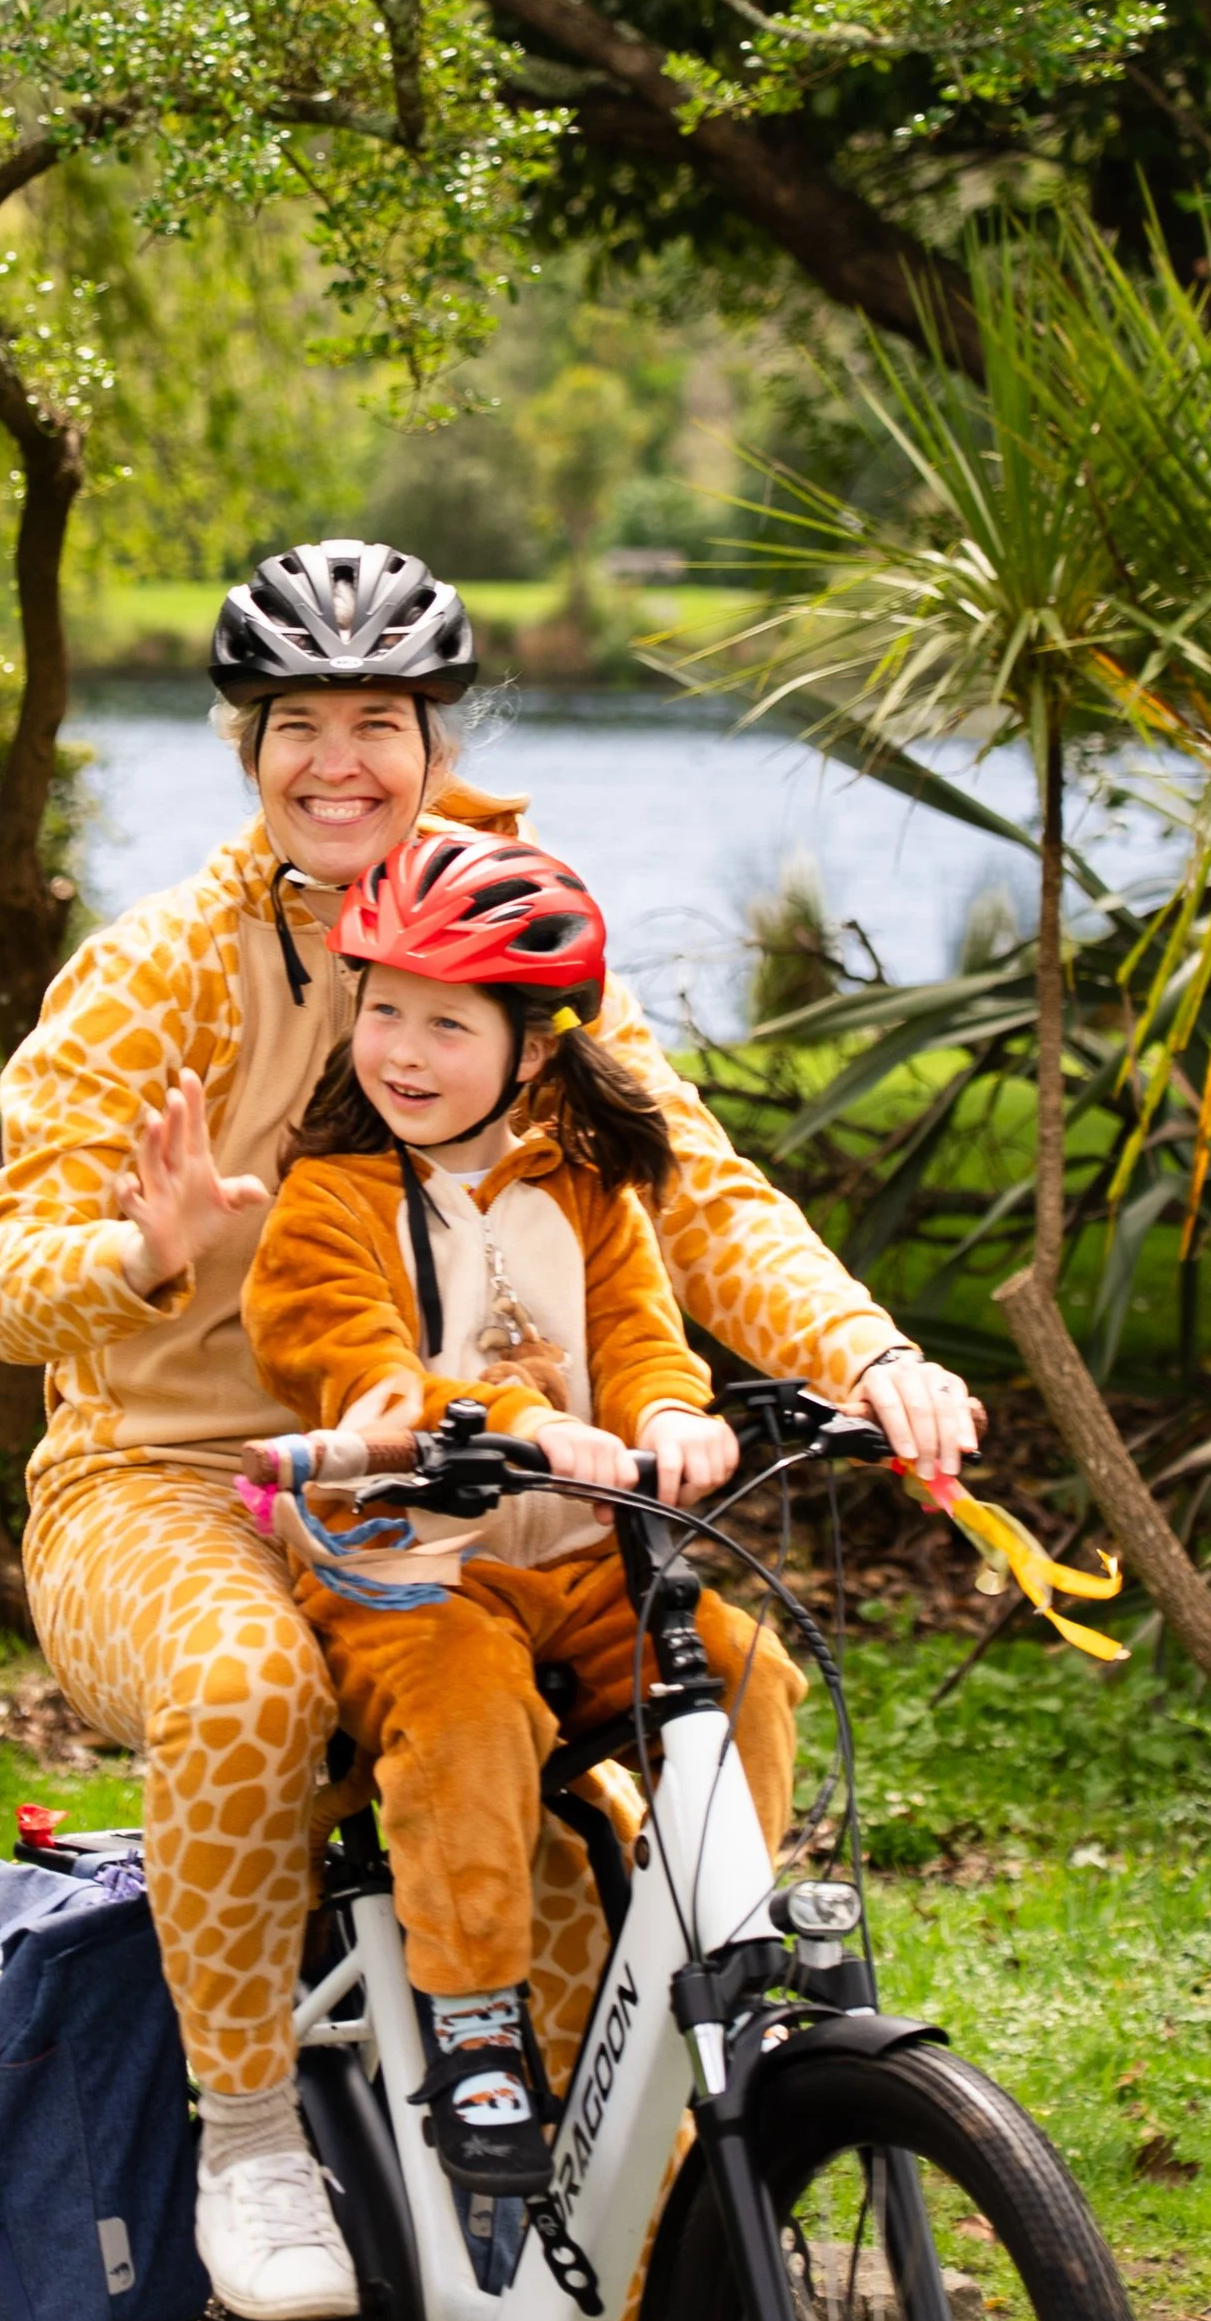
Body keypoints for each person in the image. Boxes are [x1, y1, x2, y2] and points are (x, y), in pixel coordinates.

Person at [0, 537, 981, 2320]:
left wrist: (865, 1347)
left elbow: (693, 1192)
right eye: (297, 723)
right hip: (174, 1481)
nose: (338, 761)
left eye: (380, 719)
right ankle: (249, 2137)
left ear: (437, 735)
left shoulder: (515, 932)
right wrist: (145, 1247)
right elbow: (5, 1282)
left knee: (625, 1853)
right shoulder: (157, 977)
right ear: (240, 741)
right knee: (241, 1690)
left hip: (474, 1491)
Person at [238, 827, 796, 2191]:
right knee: (470, 1719)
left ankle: (722, 1947)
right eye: (383, 1010)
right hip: (413, 1570)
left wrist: (668, 1413)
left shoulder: (586, 1190)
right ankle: (475, 2015)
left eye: (445, 1021)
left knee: (746, 1670)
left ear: (534, 1048)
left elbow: (647, 1335)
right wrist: (516, 1422)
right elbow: (359, 1367)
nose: (404, 1050)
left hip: (587, 1566)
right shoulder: (330, 1203)